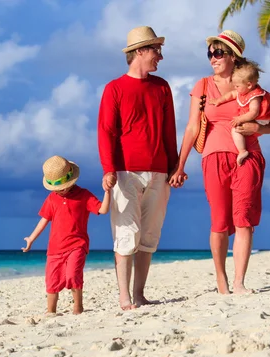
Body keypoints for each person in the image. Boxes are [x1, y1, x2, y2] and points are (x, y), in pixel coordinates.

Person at [168, 30, 270, 294]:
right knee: (219, 222)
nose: (213, 58)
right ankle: (222, 280)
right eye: (210, 53)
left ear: (233, 56)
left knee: (244, 220)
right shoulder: (203, 86)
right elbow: (191, 128)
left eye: (218, 53)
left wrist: (256, 127)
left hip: (248, 157)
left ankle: (240, 282)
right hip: (214, 157)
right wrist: (180, 165)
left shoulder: (250, 85)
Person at [98, 26, 178, 310]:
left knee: (149, 236)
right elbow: (106, 131)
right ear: (141, 51)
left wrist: (174, 168)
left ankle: (140, 294)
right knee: (126, 232)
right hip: (124, 172)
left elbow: (170, 132)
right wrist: (108, 169)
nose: (160, 56)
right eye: (156, 50)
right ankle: (124, 297)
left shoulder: (162, 87)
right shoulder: (114, 88)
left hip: (159, 172)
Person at [22, 155, 110, 314]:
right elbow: (43, 220)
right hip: (55, 248)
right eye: (56, 188)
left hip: (77, 245)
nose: (59, 190)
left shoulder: (83, 195)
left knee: (72, 276)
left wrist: (108, 193)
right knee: (52, 281)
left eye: (62, 186)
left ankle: (78, 307)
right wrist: (31, 239)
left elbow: (102, 209)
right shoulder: (52, 198)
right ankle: (51, 311)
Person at [209, 60, 270, 165]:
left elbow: (254, 113)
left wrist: (240, 119)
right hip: (252, 118)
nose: (235, 88)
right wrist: (219, 100)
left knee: (235, 130)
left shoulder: (254, 97)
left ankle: (242, 151)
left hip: (261, 119)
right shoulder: (243, 91)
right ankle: (242, 149)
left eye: (237, 86)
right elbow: (231, 95)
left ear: (249, 85)